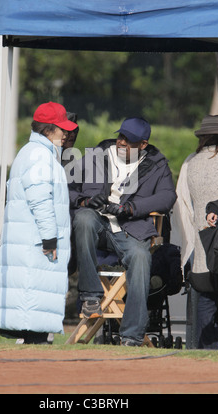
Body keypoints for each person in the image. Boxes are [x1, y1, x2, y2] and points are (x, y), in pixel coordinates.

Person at [69, 117, 177, 347]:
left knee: (141, 257)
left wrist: (130, 208)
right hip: (98, 223)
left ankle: (132, 336)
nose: (122, 142)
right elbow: (67, 188)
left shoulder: (156, 164)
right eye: (121, 136)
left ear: (143, 145)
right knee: (84, 218)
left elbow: (168, 196)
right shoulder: (97, 155)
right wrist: (85, 200)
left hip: (131, 228)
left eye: (129, 141)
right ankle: (90, 296)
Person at [0, 102, 78, 344]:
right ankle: (33, 338)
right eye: (62, 129)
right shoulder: (40, 155)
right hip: (37, 240)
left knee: (31, 297)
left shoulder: (32, 151)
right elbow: (40, 200)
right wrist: (49, 237)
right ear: (49, 129)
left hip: (30, 238)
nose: (66, 134)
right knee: (33, 296)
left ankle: (32, 337)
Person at [171, 114, 218, 349]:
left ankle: (203, 351)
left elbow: (182, 205)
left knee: (205, 302)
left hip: (201, 249)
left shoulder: (190, 162)